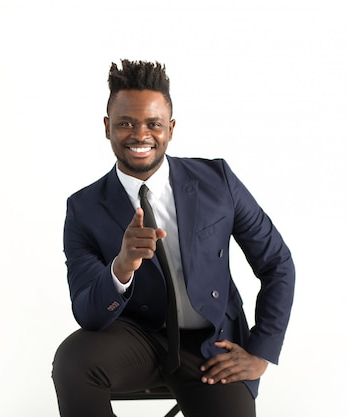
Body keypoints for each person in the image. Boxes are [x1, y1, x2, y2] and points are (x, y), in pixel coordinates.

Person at [52, 59, 295, 417]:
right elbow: (87, 312)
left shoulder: (219, 182)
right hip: (137, 339)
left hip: (211, 348)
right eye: (125, 124)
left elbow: (277, 263)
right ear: (107, 128)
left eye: (153, 124)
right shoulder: (83, 208)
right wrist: (121, 268)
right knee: (72, 361)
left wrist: (262, 351)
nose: (140, 135)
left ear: (171, 128)